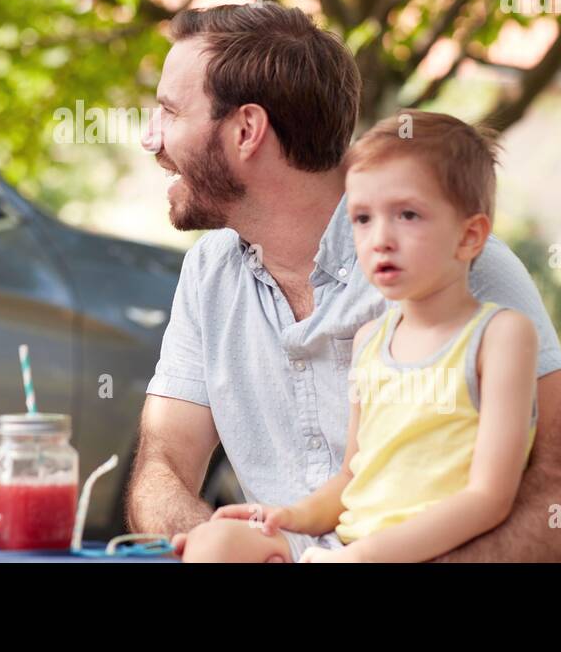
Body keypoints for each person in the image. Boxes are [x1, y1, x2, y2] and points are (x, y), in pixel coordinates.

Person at [127, 2, 561, 562]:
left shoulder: (460, 267)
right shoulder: (207, 274)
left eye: (169, 112)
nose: (151, 139)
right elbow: (161, 468)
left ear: (247, 130)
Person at [185, 112, 537, 561]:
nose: (380, 239)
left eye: (407, 215)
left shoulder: (500, 336)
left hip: (436, 550)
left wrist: (363, 558)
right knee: (216, 544)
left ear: (469, 237)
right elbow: (351, 478)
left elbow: (489, 498)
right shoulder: (371, 339)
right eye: (363, 219)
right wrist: (290, 516)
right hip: (347, 545)